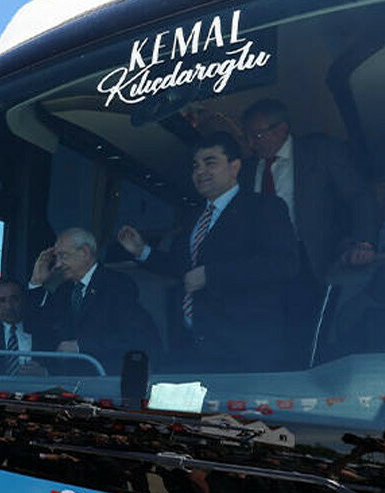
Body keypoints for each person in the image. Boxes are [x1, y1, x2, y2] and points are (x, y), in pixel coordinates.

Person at [118, 132, 299, 370]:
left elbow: (283, 264)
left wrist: (212, 275)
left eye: (210, 162)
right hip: (193, 344)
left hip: (244, 347)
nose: (200, 171)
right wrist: (142, 251)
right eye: (196, 166)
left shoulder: (263, 208)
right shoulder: (194, 215)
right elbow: (184, 269)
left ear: (234, 167)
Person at [240, 98, 378, 276]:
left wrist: (364, 242)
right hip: (263, 263)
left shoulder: (319, 153)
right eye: (246, 138)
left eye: (257, 136)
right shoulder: (246, 170)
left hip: (314, 259)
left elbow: (358, 195)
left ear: (281, 130)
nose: (251, 144)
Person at [29, 227, 161, 373]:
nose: (58, 264)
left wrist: (81, 346)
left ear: (85, 252)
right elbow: (36, 327)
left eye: (63, 256)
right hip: (70, 383)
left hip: (107, 380)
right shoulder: (64, 290)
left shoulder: (117, 284)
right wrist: (36, 282)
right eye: (57, 258)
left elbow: (133, 337)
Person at [0, 278, 53, 376]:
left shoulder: (43, 331)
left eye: (14, 299)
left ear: (23, 300)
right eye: (2, 301)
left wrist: (44, 372)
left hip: (36, 389)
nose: (9, 306)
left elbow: (65, 368)